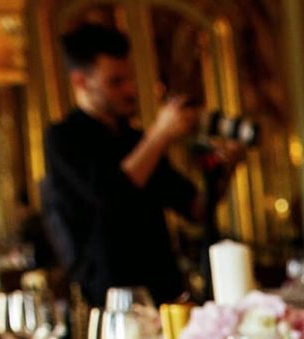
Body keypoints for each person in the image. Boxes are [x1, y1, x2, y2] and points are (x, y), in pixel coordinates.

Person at [41, 22, 239, 307]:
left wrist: (224, 167)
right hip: (108, 298)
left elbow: (195, 208)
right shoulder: (64, 138)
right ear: (81, 82)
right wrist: (159, 136)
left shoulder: (136, 139)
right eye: (116, 82)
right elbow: (109, 195)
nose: (130, 90)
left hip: (164, 289)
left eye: (129, 79)